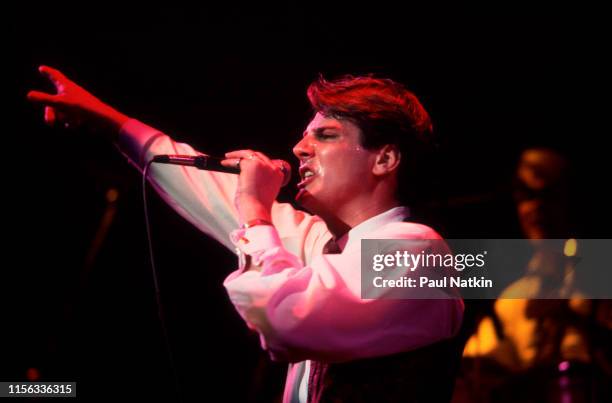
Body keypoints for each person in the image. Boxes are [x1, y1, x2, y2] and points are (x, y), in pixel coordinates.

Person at [28, 66, 464, 402]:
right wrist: (111, 124)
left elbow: (284, 319)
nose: (299, 149)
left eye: (326, 136)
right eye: (304, 137)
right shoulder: (323, 247)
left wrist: (254, 211)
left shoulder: (418, 253)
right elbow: (209, 191)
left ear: (385, 159)